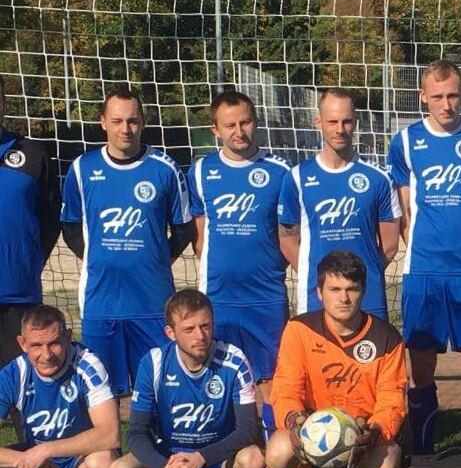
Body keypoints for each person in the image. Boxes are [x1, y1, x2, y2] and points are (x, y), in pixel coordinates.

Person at [386, 60, 461, 454]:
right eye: (437, 96)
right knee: (419, 367)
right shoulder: (404, 141)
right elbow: (402, 209)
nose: (446, 104)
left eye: (453, 95)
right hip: (423, 271)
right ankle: (422, 454)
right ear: (423, 97)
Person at [61, 86, 194, 402]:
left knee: (159, 394)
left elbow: (184, 230)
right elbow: (69, 228)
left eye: (132, 121)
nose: (125, 129)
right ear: (103, 122)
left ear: (143, 121)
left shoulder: (165, 169)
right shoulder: (82, 168)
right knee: (103, 398)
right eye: (117, 121)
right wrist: (100, 257)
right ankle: (108, 453)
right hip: (100, 304)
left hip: (152, 304)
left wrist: (156, 259)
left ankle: (158, 452)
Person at [265, 251, 407, 468]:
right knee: (277, 453)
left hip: (364, 433)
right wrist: (294, 422)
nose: (344, 298)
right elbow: (285, 388)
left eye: (352, 289)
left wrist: (376, 431)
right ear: (319, 292)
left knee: (387, 467)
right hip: (311, 431)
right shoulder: (299, 330)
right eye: (335, 289)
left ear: (363, 292)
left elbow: (392, 399)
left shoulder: (387, 338)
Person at [106, 290, 264, 468]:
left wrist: (201, 458)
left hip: (217, 455)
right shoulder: (154, 363)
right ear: (171, 333)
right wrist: (163, 466)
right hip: (172, 456)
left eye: (205, 326)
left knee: (254, 460)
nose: (200, 336)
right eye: (189, 329)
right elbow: (135, 433)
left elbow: (247, 429)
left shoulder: (234, 359)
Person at [188, 89, 291, 439]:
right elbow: (201, 237)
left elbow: (289, 234)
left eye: (245, 122)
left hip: (267, 296)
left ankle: (279, 455)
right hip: (219, 297)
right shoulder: (201, 171)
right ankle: (222, 454)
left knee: (272, 379)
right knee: (215, 376)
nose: (239, 131)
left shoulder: (279, 172)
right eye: (230, 125)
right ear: (215, 129)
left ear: (255, 122)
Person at [0, 305, 118, 468]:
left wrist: (46, 450)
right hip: (37, 463)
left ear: (67, 336)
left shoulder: (87, 364)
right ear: (22, 344)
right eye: (36, 346)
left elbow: (110, 435)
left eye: (54, 343)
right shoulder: (14, 374)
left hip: (80, 456)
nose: (46, 354)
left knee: (106, 466)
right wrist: (22, 459)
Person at [278, 88, 400, 320]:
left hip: (367, 295)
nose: (340, 129)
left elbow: (390, 245)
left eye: (346, 122)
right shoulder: (296, 177)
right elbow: (288, 240)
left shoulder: (378, 178)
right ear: (318, 122)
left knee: (370, 356)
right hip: (317, 296)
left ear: (355, 122)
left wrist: (358, 279)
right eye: (332, 121)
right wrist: (324, 281)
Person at [0, 77, 62, 365]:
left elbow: (50, 219)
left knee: (22, 394)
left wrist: (30, 259)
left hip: (19, 294)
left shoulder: (32, 154)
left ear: (4, 104)